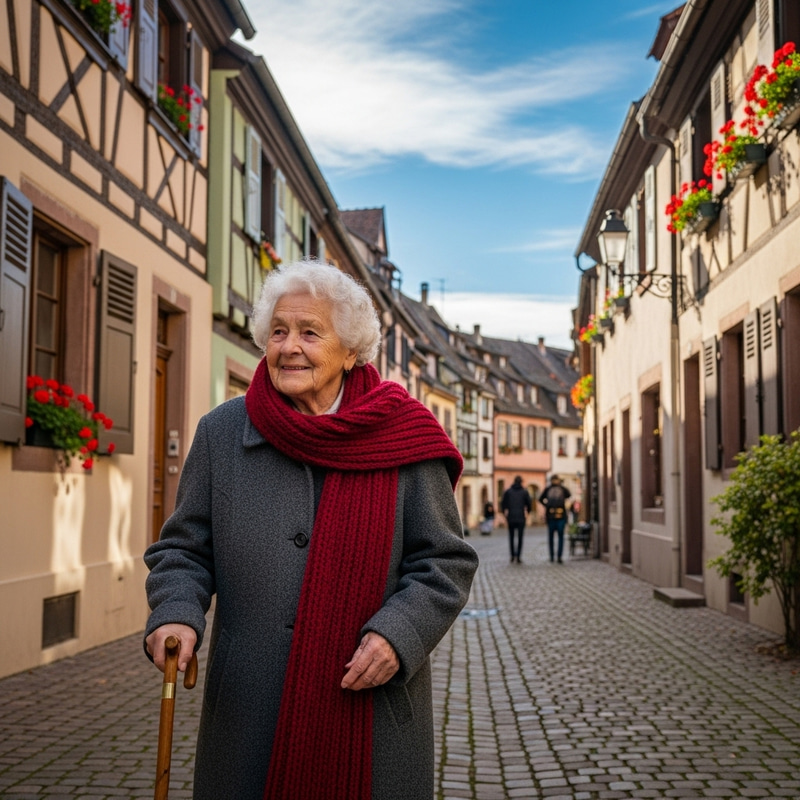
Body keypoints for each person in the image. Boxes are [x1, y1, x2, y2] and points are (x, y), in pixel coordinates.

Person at [143, 260, 479, 800]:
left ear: (351, 351)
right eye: (278, 331)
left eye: (309, 332)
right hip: (251, 708)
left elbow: (445, 562)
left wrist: (400, 634)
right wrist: (176, 612)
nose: (289, 346)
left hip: (369, 704)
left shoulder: (406, 436)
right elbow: (184, 548)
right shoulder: (222, 433)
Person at [539, 474, 571, 563]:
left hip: (560, 515)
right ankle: (552, 556)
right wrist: (547, 505)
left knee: (560, 536)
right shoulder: (548, 489)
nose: (555, 482)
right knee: (551, 537)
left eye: (557, 480)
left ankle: (559, 556)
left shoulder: (562, 489)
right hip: (551, 516)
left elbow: (569, 494)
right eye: (554, 480)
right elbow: (541, 499)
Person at [500, 476, 532, 563]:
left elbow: (503, 504)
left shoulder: (508, 492)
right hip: (521, 517)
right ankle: (518, 556)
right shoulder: (524, 492)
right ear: (521, 482)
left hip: (511, 517)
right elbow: (529, 504)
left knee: (511, 537)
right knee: (520, 537)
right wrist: (527, 513)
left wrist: (505, 514)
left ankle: (512, 555)